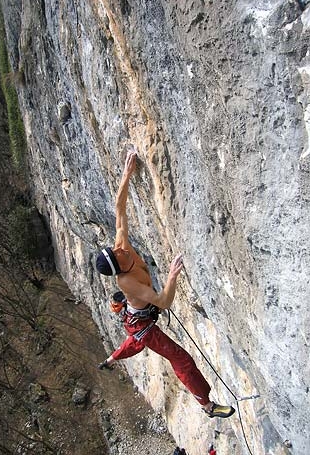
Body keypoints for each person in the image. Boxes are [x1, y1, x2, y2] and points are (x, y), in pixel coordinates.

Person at [95, 151, 235, 419]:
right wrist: (172, 276)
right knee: (180, 359)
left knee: (132, 343)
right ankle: (207, 405)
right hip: (142, 326)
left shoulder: (120, 246)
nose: (121, 248)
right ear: (118, 267)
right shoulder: (127, 282)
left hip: (136, 316)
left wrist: (126, 176)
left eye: (116, 249)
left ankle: (112, 358)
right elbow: (163, 302)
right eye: (118, 254)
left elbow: (119, 208)